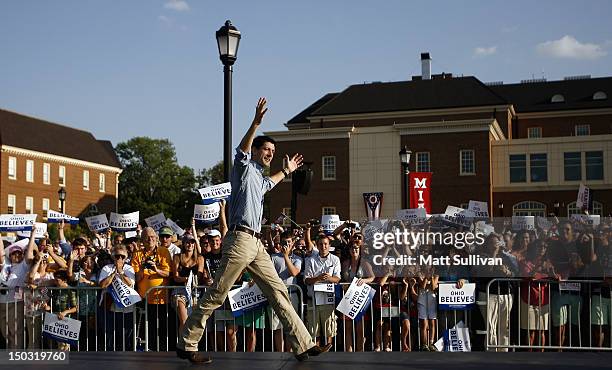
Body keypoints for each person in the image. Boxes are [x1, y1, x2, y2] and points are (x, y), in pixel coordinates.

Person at [177, 98, 330, 364]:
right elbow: (242, 151)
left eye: (273, 150)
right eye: (267, 149)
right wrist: (255, 123)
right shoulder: (244, 169)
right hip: (239, 240)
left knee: (279, 291)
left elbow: (270, 183)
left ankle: (303, 344)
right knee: (217, 293)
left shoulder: (259, 179)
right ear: (256, 150)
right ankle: (186, 342)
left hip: (256, 244)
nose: (270, 153)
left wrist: (287, 169)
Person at [132, 226, 172, 351]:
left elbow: (168, 273)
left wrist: (156, 270)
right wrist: (143, 268)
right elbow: (137, 279)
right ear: (142, 241)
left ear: (156, 239)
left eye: (153, 237)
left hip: (162, 298)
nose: (150, 239)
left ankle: (165, 351)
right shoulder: (137, 254)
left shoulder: (163, 252)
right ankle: (151, 350)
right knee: (149, 328)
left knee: (164, 327)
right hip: (145, 299)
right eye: (147, 238)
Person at [304, 235, 341, 347]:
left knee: (329, 330)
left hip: (328, 300)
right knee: (314, 332)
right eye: (320, 244)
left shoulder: (335, 259)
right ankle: (316, 353)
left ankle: (329, 357)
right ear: (317, 246)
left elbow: (337, 279)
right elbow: (306, 280)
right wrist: (318, 278)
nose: (323, 246)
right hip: (313, 300)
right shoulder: (310, 260)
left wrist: (329, 278)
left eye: (325, 244)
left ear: (329, 245)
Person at [99, 244, 137, 351]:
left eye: (122, 257)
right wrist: (113, 273)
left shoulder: (129, 268)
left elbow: (130, 284)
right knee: (110, 338)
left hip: (126, 308)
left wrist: (120, 271)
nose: (119, 258)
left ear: (126, 257)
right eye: (117, 256)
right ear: (113, 257)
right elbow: (102, 285)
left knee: (125, 338)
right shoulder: (106, 268)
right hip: (110, 308)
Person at [172, 234, 204, 333]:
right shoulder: (177, 257)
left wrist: (192, 280)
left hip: (194, 293)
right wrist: (186, 279)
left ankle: (191, 345)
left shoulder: (200, 258)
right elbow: (176, 277)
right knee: (184, 320)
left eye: (192, 242)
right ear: (184, 244)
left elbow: (199, 276)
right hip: (179, 292)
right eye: (187, 242)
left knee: (194, 323)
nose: (190, 244)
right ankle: (182, 346)